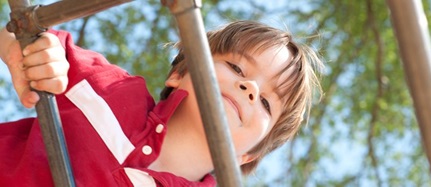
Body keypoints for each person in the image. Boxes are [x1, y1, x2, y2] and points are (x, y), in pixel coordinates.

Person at [0, 20, 323, 186]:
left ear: (248, 155)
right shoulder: (113, 91)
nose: (249, 88)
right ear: (179, 74)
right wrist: (28, 55)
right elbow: (22, 31)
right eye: (237, 68)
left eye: (267, 102)